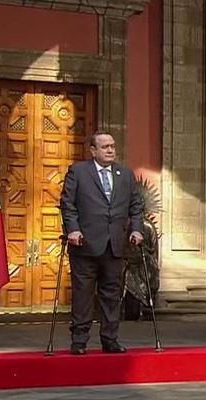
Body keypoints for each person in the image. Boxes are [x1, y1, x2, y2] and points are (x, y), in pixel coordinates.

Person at [60, 130, 144, 355]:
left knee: (111, 294)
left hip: (114, 244)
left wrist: (136, 230)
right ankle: (79, 341)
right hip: (85, 244)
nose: (110, 150)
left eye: (112, 146)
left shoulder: (125, 175)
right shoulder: (78, 172)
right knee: (83, 294)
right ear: (93, 150)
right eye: (105, 147)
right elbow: (68, 204)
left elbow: (136, 206)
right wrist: (73, 229)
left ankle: (110, 339)